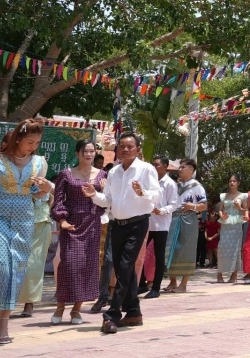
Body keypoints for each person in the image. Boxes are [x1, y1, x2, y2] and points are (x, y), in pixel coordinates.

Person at [0, 119, 54, 347]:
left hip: (25, 219)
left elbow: (37, 195)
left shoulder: (40, 162)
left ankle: (3, 323)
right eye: (30, 141)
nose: (33, 146)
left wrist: (45, 188)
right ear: (17, 138)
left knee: (16, 268)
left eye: (37, 142)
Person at [83, 131, 160, 334]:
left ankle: (112, 315)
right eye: (122, 146)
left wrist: (142, 192)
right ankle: (134, 312)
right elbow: (108, 200)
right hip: (117, 224)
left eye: (130, 146)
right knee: (122, 269)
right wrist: (94, 195)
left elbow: (157, 196)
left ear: (138, 149)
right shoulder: (114, 172)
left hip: (137, 224)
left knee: (125, 267)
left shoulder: (146, 169)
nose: (125, 149)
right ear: (117, 149)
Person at [51, 139, 106, 325]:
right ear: (77, 153)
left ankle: (76, 310)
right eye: (85, 151)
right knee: (68, 265)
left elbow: (109, 200)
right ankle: (60, 307)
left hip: (92, 223)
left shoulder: (103, 175)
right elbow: (58, 200)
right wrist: (62, 220)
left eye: (92, 151)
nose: (89, 154)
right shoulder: (66, 174)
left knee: (86, 266)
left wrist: (106, 191)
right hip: (71, 224)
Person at [165, 159, 207, 293]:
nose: (180, 169)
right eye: (180, 167)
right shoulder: (175, 185)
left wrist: (192, 206)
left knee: (187, 250)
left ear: (191, 170)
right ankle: (172, 282)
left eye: (183, 167)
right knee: (171, 248)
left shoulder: (197, 186)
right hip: (173, 218)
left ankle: (183, 285)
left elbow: (204, 206)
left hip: (189, 219)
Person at [143, 155, 179, 298]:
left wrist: (162, 210)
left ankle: (156, 287)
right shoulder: (148, 182)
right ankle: (141, 284)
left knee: (159, 256)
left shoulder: (169, 183)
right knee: (140, 254)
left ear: (165, 166)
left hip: (160, 224)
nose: (154, 167)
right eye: (153, 164)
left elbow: (174, 204)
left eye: (157, 164)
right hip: (146, 222)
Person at [18, 190, 54, 316]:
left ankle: (29, 302)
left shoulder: (45, 183)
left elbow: (53, 199)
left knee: (34, 265)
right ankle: (5, 304)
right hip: (17, 224)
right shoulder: (13, 179)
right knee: (14, 264)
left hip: (41, 224)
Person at [217, 174, 246, 284]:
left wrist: (239, 208)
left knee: (236, 249)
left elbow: (245, 211)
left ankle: (234, 274)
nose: (232, 183)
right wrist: (221, 215)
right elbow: (220, 209)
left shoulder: (243, 196)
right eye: (230, 181)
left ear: (238, 183)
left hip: (237, 224)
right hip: (225, 223)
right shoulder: (223, 196)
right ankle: (219, 274)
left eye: (234, 181)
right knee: (222, 247)